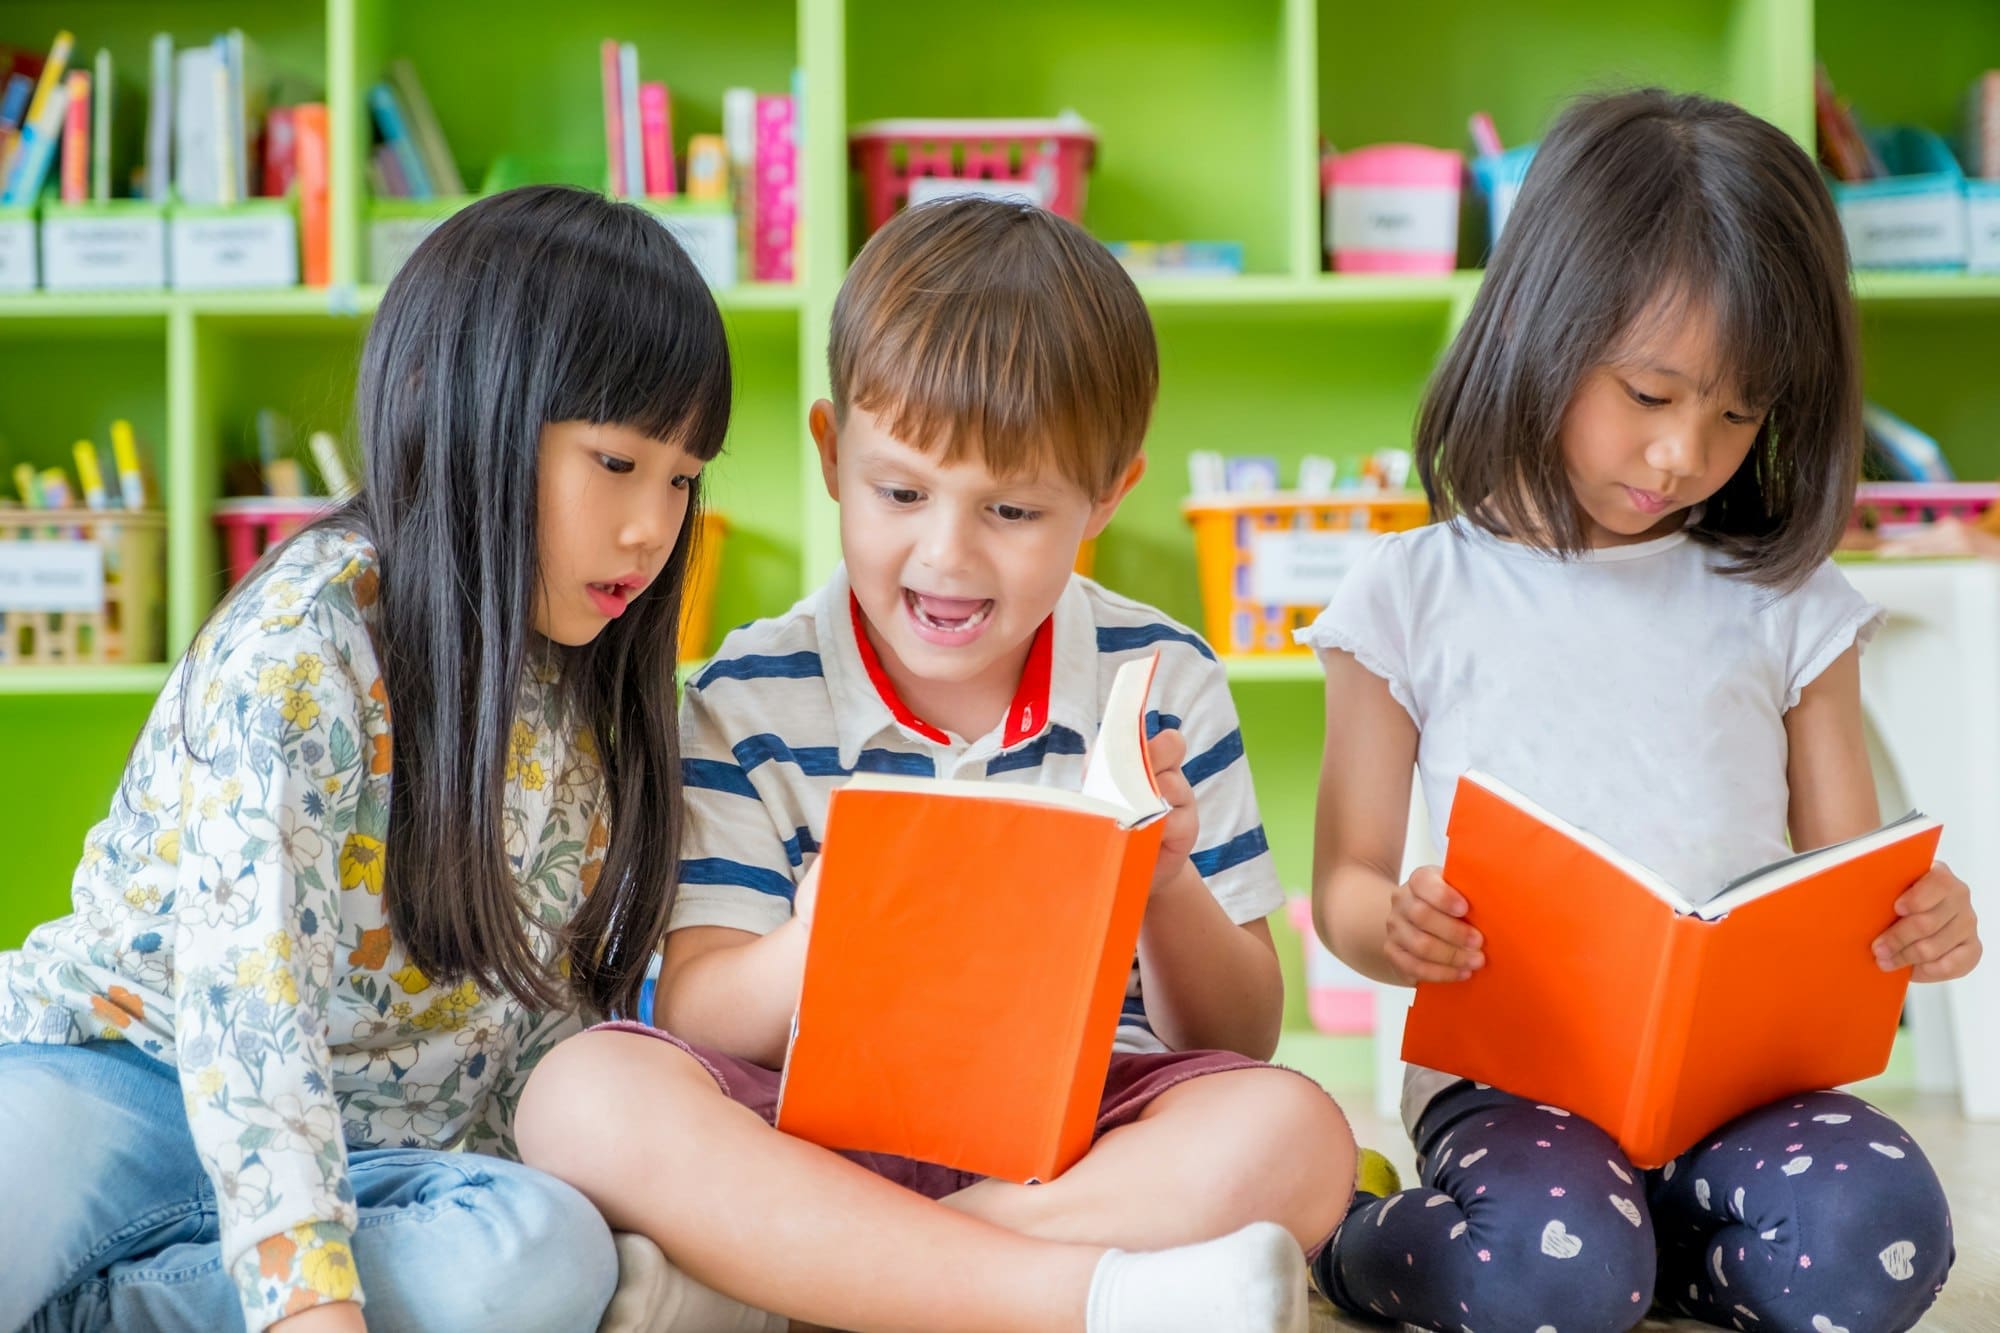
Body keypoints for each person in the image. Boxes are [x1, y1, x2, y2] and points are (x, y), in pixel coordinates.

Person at [515, 197, 1356, 1333]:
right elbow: (705, 1009)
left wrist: (1165, 884)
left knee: (1297, 1134)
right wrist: (822, 942)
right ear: (830, 452)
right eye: (900, 492)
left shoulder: (1161, 676)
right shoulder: (743, 695)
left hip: (1074, 1140)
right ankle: (1064, 1298)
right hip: (804, 1130)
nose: (946, 555)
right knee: (583, 1094)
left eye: (1011, 508)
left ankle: (804, 1288)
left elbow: (1237, 1033)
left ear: (1107, 494)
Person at [1303, 89, 1980, 1333]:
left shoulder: (1788, 601)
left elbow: (1847, 884)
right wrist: (1393, 926)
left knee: (1879, 1236)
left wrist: (1915, 920)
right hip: (1512, 1086)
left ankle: (1644, 1252)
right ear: (1536, 329)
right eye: (1649, 393)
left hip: (1745, 1089)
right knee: (1545, 1273)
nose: (1682, 455)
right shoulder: (1408, 591)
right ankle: (1353, 1236)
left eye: (1735, 412)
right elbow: (1343, 882)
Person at [0, 183, 732, 1333]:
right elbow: (252, 1005)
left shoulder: (595, 699)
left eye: (682, 477)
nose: (654, 525)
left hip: (375, 1156)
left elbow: (543, 1032)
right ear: (459, 417)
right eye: (615, 461)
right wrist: (308, 1308)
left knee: (537, 1254)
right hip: (122, 1078)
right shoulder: (304, 643)